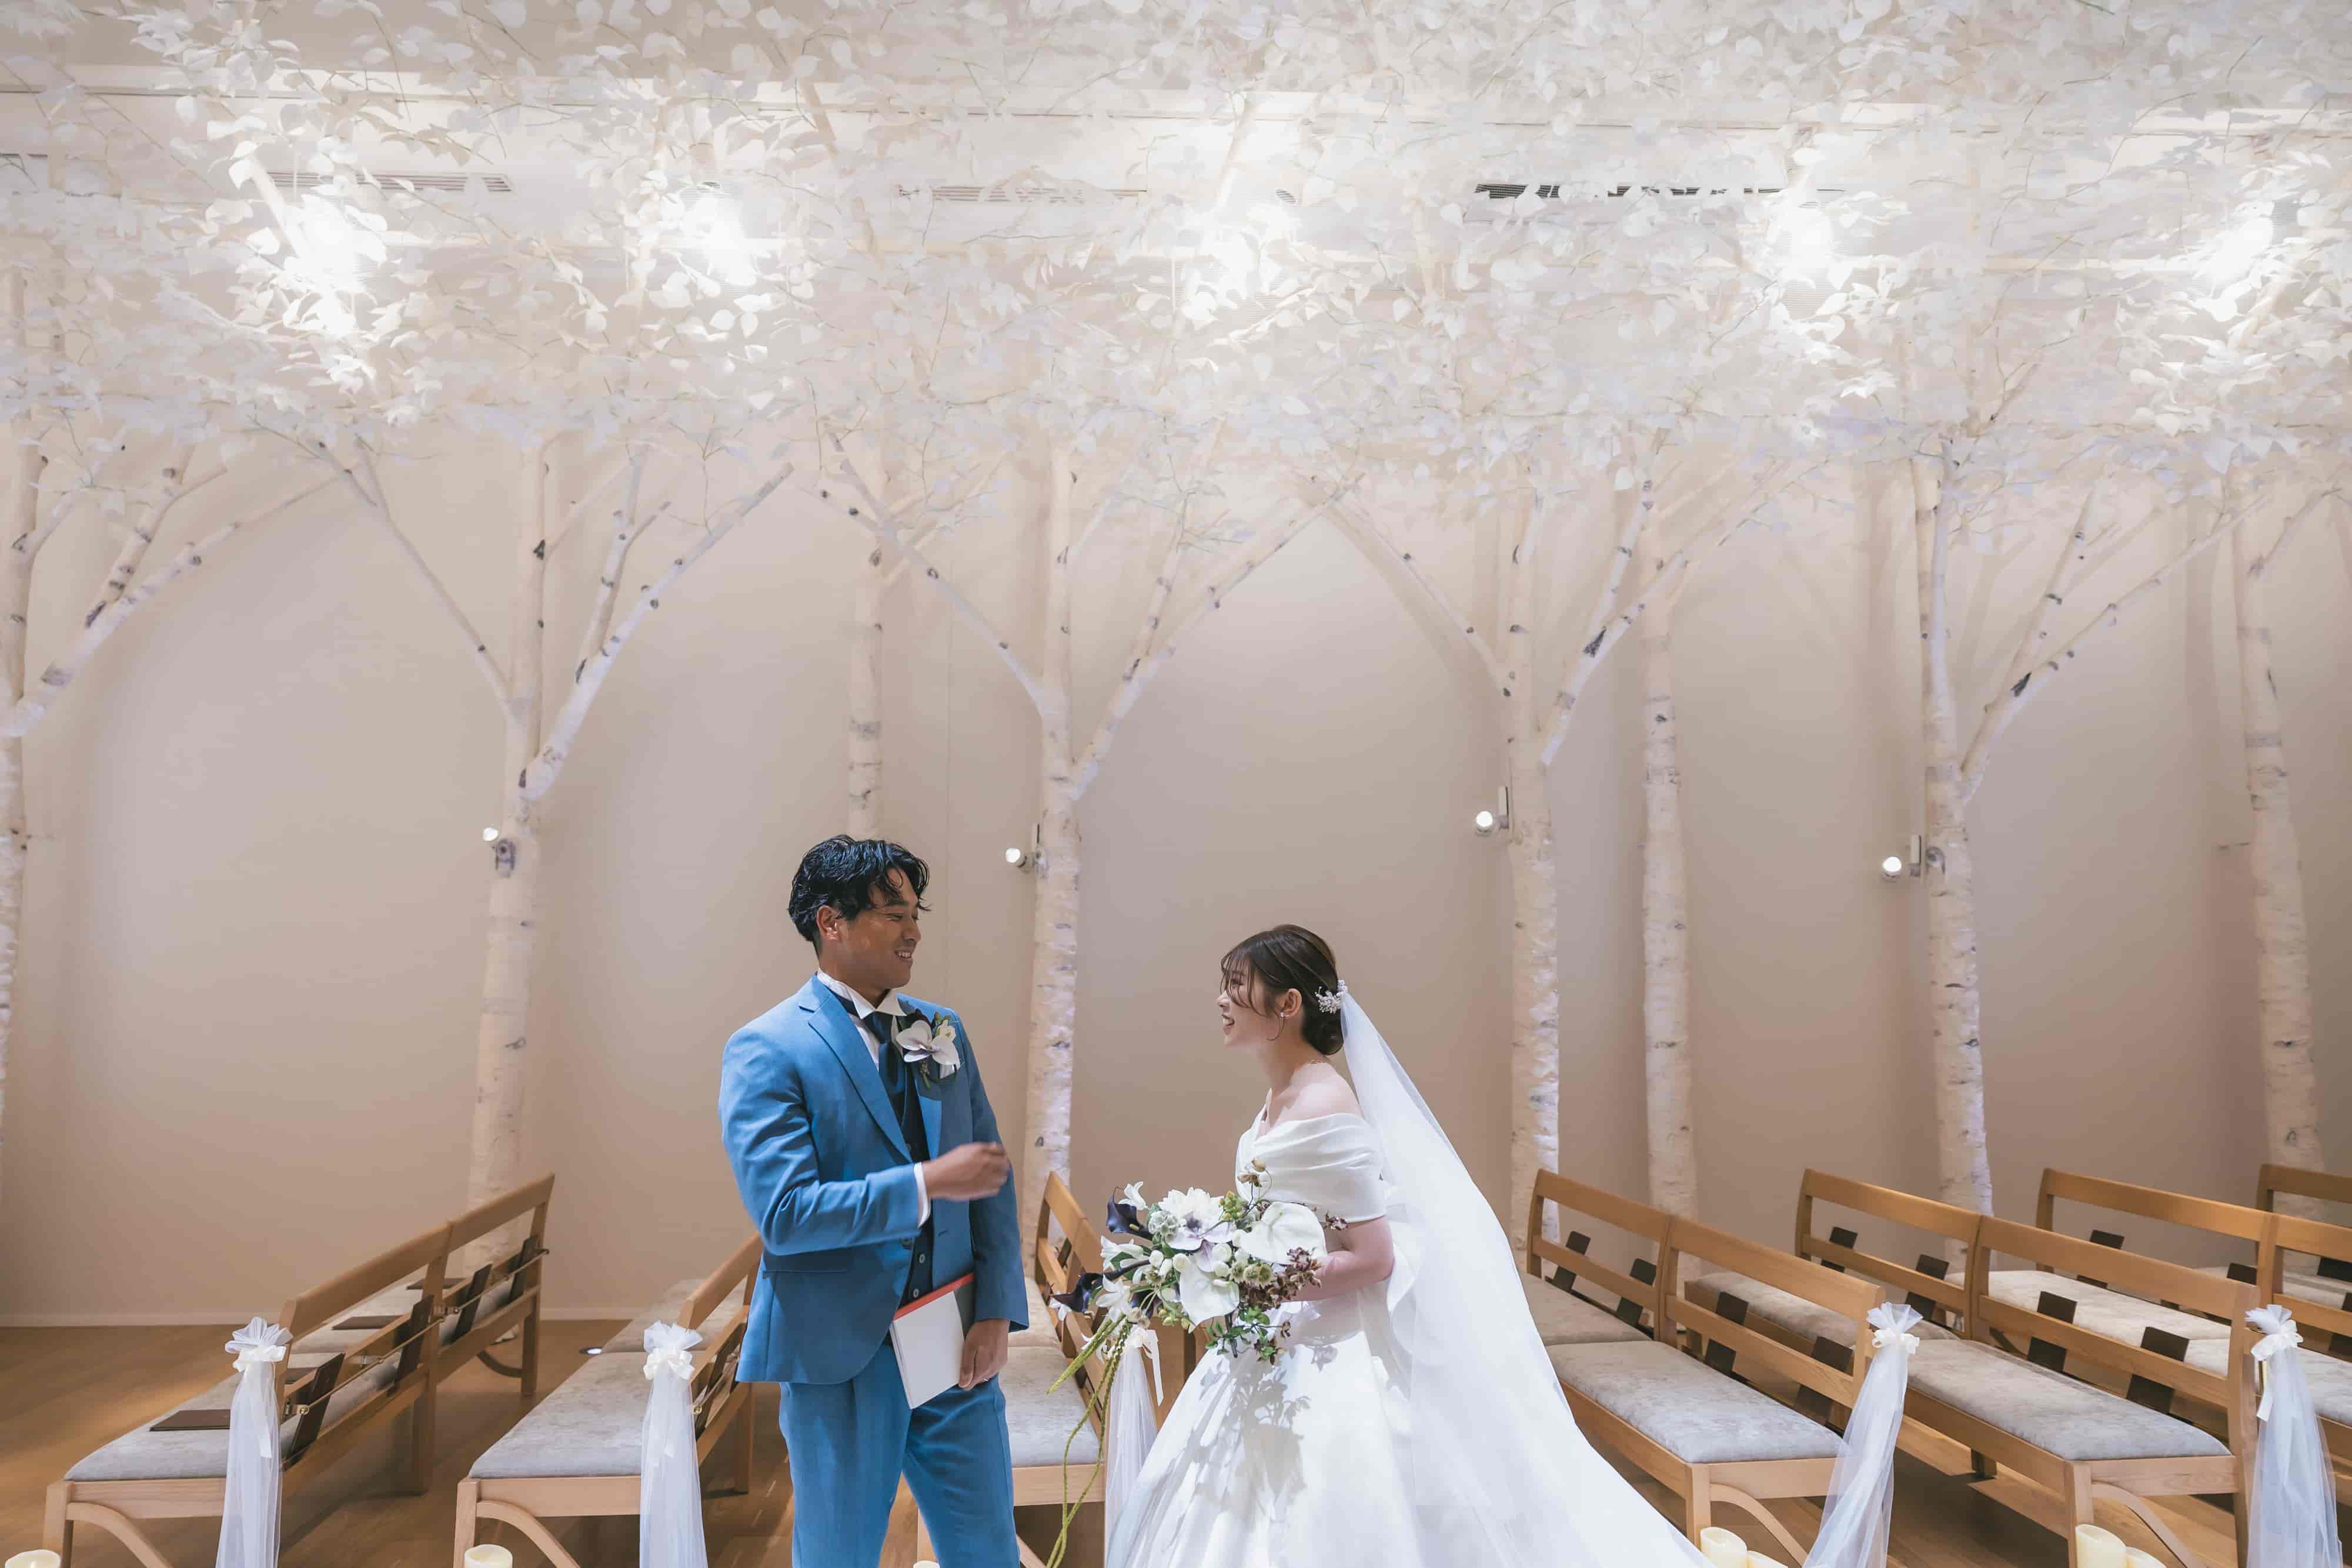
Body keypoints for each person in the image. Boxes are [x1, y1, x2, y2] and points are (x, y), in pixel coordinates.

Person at [1106, 924, 1711, 1568]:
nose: (1222, 1000)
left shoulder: (1323, 1104)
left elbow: (1374, 1257)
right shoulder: (1280, 1095)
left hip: (1326, 1341)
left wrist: (1251, 1280)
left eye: (1237, 986)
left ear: (1288, 1004)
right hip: (1280, 1329)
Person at [720, 836, 1027, 1567]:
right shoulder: (767, 1047)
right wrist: (925, 1184)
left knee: (988, 1552)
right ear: (831, 922)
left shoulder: (941, 1029)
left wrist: (995, 1311)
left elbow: (990, 1177)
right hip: (840, 1356)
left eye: (915, 913)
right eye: (893, 914)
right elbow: (786, 1216)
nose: (913, 931)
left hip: (954, 1344)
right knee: (839, 1556)